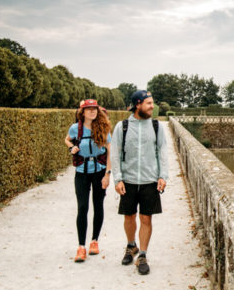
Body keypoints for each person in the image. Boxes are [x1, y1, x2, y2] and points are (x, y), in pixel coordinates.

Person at [112, 90, 168, 275]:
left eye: (152, 103)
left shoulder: (156, 126)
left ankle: (142, 255)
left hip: (149, 180)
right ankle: (131, 245)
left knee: (146, 218)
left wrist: (163, 176)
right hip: (128, 180)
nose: (152, 106)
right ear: (138, 105)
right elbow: (115, 153)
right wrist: (118, 178)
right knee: (129, 217)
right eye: (149, 103)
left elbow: (162, 151)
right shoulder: (122, 126)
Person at [64, 99, 112, 262]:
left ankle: (94, 241)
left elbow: (110, 152)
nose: (92, 111)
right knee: (82, 207)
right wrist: (71, 147)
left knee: (98, 205)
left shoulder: (103, 128)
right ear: (82, 112)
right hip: (81, 173)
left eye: (94, 109)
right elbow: (67, 139)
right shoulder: (75, 128)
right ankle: (81, 246)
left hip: (99, 172)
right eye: (88, 109)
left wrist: (107, 174)